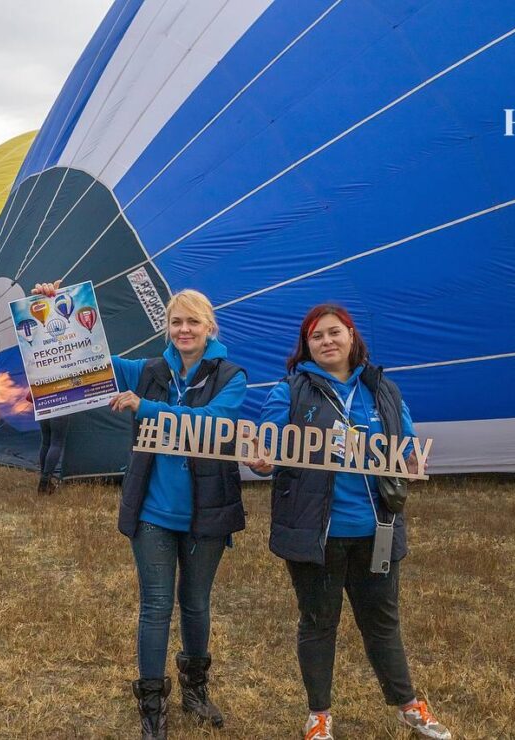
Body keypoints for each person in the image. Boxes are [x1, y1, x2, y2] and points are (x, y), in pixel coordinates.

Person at [32, 280, 246, 740]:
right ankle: (152, 705)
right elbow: (88, 361)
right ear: (166, 328)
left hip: (206, 509)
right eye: (176, 322)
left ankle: (195, 691)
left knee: (195, 603)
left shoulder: (231, 377)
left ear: (209, 327)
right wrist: (56, 312)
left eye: (192, 321)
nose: (183, 329)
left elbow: (218, 424)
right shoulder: (147, 369)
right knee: (155, 606)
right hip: (153, 508)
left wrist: (146, 407)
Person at [247, 304, 451, 740]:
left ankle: (409, 705)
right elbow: (268, 430)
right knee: (319, 622)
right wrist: (264, 453)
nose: (327, 342)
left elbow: (407, 439)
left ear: (352, 337)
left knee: (382, 621)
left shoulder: (383, 390)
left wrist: (413, 455)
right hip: (316, 533)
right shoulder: (292, 390)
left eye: (334, 333)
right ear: (307, 346)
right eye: (317, 336)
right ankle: (319, 716)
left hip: (376, 529)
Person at [37, 416, 70, 494]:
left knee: (45, 443)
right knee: (56, 444)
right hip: (59, 410)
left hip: (43, 409)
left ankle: (44, 478)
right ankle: (45, 482)